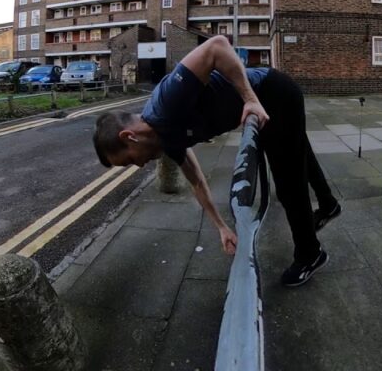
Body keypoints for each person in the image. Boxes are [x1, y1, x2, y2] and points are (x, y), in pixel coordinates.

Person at [92, 35, 342, 287]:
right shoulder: (168, 141)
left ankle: (310, 254)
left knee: (288, 181)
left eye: (128, 161)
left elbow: (217, 46)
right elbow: (197, 182)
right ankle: (328, 204)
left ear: (129, 137)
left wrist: (250, 99)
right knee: (300, 154)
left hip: (275, 93)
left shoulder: (168, 102)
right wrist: (222, 227)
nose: (138, 166)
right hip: (268, 101)